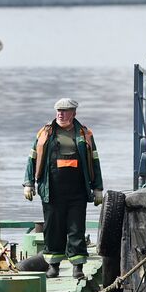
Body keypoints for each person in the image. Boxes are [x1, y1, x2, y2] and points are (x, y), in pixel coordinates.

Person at [23, 98, 103, 279]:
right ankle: (54, 267)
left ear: (74, 113)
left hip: (77, 191)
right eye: (58, 110)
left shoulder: (85, 134)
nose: (61, 113)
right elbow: (32, 158)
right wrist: (29, 184)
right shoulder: (45, 133)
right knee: (53, 229)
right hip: (51, 190)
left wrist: (98, 188)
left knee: (76, 229)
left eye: (65, 111)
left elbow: (95, 161)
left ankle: (78, 267)